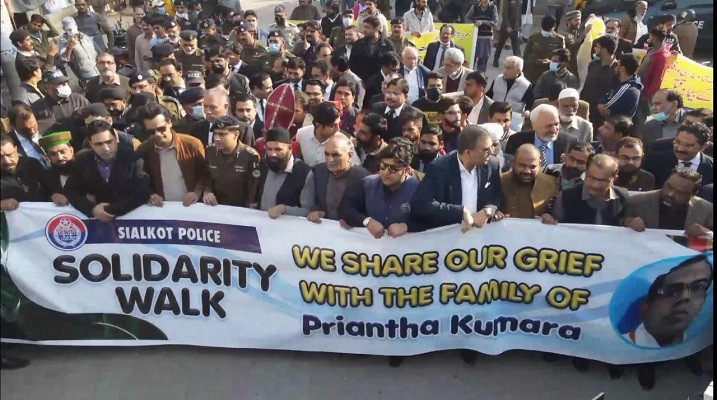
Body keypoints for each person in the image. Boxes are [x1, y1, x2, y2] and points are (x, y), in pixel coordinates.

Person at [411, 124, 504, 232]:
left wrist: (489, 210)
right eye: (486, 149)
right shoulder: (439, 168)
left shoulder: (492, 165)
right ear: (468, 152)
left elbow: (496, 197)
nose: (491, 152)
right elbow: (421, 204)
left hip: (479, 239)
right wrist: (460, 212)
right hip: (448, 239)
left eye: (491, 147)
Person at [64, 119, 150, 220]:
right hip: (96, 226)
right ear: (91, 144)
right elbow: (71, 191)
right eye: (99, 144)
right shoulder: (82, 161)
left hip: (130, 223)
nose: (106, 148)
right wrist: (92, 210)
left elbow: (142, 191)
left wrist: (110, 211)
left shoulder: (133, 159)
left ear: (116, 138)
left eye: (109, 142)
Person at [340, 135, 423, 236]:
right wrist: (366, 221)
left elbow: (430, 220)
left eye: (393, 168)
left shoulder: (418, 189)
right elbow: (346, 208)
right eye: (383, 166)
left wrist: (407, 226)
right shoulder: (367, 184)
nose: (386, 172)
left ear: (406, 170)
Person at [626, 255, 713, 347]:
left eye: (698, 287)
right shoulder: (616, 350)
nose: (685, 297)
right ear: (645, 307)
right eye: (672, 291)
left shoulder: (703, 348)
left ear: (704, 300)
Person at [136, 102, 207, 208]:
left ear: (169, 122)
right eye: (151, 132)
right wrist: (150, 195)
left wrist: (196, 193)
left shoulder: (192, 144)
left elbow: (204, 174)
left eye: (161, 129)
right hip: (163, 211)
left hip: (193, 208)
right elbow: (141, 180)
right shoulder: (144, 150)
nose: (157, 134)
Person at [541, 153, 630, 227]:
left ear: (614, 179)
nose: (595, 185)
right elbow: (555, 229)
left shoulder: (622, 197)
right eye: (591, 178)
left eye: (602, 180)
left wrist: (628, 222)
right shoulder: (566, 197)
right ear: (586, 173)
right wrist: (548, 219)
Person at [624, 166, 712, 235]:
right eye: (669, 186)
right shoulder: (637, 201)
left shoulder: (707, 210)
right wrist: (627, 222)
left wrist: (708, 233)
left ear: (693, 194)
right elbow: (615, 224)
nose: (670, 194)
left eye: (680, 192)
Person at [305, 134, 369, 223]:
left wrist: (354, 222)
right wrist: (316, 212)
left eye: (336, 155)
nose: (330, 160)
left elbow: (369, 213)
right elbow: (313, 202)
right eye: (327, 154)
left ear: (350, 155)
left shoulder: (364, 178)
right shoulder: (318, 172)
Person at [201, 115, 261, 207]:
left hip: (240, 210)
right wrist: (207, 191)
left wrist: (250, 205)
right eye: (215, 134)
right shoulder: (210, 151)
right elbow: (206, 176)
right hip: (215, 207)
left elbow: (254, 187)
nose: (217, 138)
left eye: (222, 134)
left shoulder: (250, 156)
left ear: (236, 134)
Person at [255, 127, 312, 218]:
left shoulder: (304, 173)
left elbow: (308, 211)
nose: (273, 154)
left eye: (278, 149)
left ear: (290, 149)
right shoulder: (264, 165)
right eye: (269, 149)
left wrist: (284, 209)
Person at [506, 104, 576, 171]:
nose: (554, 130)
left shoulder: (569, 142)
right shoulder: (517, 140)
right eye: (549, 126)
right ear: (534, 125)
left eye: (556, 124)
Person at [645, 122, 713, 188]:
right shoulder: (654, 161)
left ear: (704, 146)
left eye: (689, 145)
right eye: (677, 142)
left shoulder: (711, 168)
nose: (680, 149)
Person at [500, 143, 558, 218]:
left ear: (540, 165)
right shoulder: (499, 181)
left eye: (532, 167)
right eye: (522, 165)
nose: (527, 171)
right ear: (513, 163)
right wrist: (496, 213)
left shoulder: (552, 184)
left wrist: (549, 216)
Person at [296, 102, 359, 167]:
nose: (338, 129)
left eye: (338, 124)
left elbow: (355, 166)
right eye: (332, 126)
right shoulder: (302, 134)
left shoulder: (344, 141)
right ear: (318, 125)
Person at [0, 134, 49, 212]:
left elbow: (50, 187)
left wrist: (55, 194)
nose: (6, 161)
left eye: (9, 155)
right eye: (0, 157)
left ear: (15, 149)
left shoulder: (32, 164)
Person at [485, 56, 533, 133]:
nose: (505, 70)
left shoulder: (526, 85)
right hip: (495, 117)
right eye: (504, 67)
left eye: (509, 68)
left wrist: (527, 111)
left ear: (518, 70)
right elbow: (489, 95)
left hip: (512, 122)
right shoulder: (498, 79)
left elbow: (530, 104)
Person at [634, 28, 671, 125]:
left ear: (654, 37)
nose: (649, 38)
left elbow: (657, 79)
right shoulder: (652, 51)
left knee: (642, 118)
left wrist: (647, 94)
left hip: (646, 93)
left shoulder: (661, 56)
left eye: (650, 36)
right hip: (640, 88)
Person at [580, 36, 619, 127]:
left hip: (601, 115)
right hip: (586, 109)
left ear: (604, 50)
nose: (594, 49)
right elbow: (586, 86)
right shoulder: (593, 64)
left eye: (597, 47)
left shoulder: (617, 70)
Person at [522, 16, 565, 85]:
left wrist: (551, 62)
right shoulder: (534, 37)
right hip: (531, 74)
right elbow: (525, 56)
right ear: (555, 25)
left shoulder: (559, 40)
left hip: (548, 75)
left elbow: (563, 60)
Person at [58, 17, 100, 88]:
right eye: (68, 28)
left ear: (76, 26)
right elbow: (62, 61)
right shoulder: (64, 41)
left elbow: (98, 51)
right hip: (87, 77)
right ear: (64, 29)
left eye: (72, 27)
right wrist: (70, 47)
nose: (71, 30)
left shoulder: (84, 36)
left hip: (100, 71)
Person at [597, 54, 642, 119]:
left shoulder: (627, 90)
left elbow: (604, 108)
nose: (615, 67)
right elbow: (607, 94)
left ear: (622, 68)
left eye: (618, 65)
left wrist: (599, 105)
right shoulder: (622, 81)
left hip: (615, 125)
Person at [349, 16, 394, 82]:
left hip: (382, 83)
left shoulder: (387, 45)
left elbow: (392, 65)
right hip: (362, 82)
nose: (364, 30)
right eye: (363, 27)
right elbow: (352, 65)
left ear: (376, 29)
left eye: (367, 27)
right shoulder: (358, 44)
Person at [38, 130, 75, 206]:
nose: (60, 157)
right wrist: (52, 197)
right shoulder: (46, 176)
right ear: (48, 157)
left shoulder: (85, 169)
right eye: (53, 154)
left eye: (63, 152)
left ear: (71, 151)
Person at [6, 103, 49, 169]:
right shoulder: (7, 144)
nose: (32, 131)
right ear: (13, 125)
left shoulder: (49, 128)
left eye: (34, 126)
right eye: (25, 129)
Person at [463, 0, 497, 73]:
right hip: (475, 36)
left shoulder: (493, 7)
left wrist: (483, 22)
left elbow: (495, 22)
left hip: (487, 37)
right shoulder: (474, 7)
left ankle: (481, 76)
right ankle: (470, 75)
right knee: (473, 57)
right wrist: (473, 23)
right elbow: (466, 18)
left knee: (484, 58)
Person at [559, 10, 586, 76]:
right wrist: (584, 33)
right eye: (576, 20)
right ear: (569, 21)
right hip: (569, 66)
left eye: (579, 20)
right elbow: (573, 45)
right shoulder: (564, 33)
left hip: (578, 64)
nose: (578, 22)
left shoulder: (577, 30)